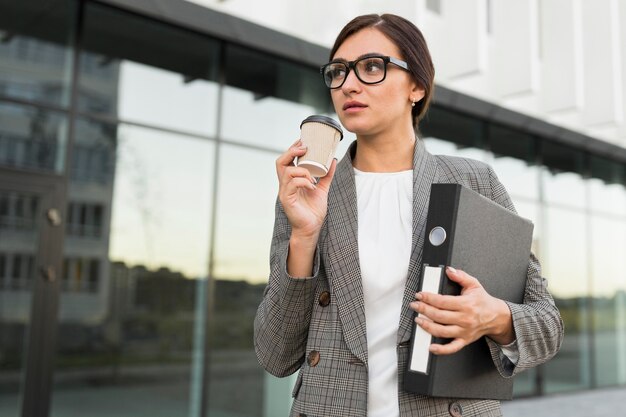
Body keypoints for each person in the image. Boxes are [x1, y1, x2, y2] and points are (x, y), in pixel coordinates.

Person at [254, 13, 563, 417]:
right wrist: (304, 236)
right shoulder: (309, 193)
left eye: (371, 67)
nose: (348, 84)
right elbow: (276, 354)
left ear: (416, 86)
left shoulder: (473, 181)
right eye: (338, 72)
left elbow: (547, 325)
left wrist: (494, 317)